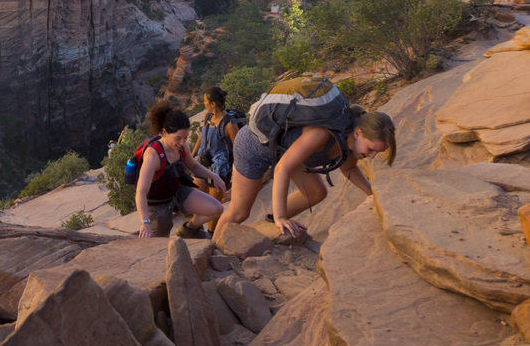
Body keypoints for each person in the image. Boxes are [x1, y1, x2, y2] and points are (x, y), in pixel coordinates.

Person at [213, 106, 396, 240]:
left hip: (283, 151)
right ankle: (212, 249)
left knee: (316, 192)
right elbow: (282, 168)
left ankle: (271, 223)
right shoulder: (323, 133)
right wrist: (282, 217)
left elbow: (348, 169)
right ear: (358, 133)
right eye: (371, 149)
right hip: (254, 147)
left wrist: (373, 195)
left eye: (377, 152)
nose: (372, 156)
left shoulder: (349, 143)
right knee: (239, 212)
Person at [136, 101, 226, 239]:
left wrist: (214, 176)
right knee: (161, 242)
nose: (182, 142)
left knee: (216, 208)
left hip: (176, 192)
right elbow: (141, 192)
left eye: (185, 137)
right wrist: (145, 222)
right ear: (164, 132)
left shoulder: (182, 147)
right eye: (178, 138)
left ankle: (189, 229)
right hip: (157, 204)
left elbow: (193, 166)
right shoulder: (153, 156)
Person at [191, 86, 240, 233]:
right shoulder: (208, 115)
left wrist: (237, 175)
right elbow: (202, 135)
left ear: (213, 104)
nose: (204, 103)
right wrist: (192, 156)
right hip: (203, 163)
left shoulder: (229, 124)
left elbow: (238, 149)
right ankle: (196, 230)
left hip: (219, 170)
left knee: (213, 207)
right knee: (196, 199)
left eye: (205, 101)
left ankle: (211, 235)